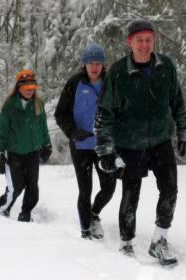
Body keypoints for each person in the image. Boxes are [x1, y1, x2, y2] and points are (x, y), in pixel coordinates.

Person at [94, 20, 186, 266]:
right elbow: (104, 114)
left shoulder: (166, 66)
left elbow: (177, 100)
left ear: (154, 41)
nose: (145, 45)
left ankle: (159, 241)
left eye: (149, 39)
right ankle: (126, 242)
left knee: (170, 189)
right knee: (131, 194)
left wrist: (183, 130)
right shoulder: (118, 73)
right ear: (130, 42)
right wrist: (106, 149)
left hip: (160, 140)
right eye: (140, 40)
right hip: (129, 143)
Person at [55, 43, 116, 239]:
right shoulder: (74, 83)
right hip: (80, 146)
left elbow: (122, 114)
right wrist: (73, 132)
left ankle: (94, 214)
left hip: (104, 147)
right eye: (91, 63)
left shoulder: (112, 83)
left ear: (103, 65)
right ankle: (85, 231)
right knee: (85, 190)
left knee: (109, 188)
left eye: (98, 63)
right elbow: (60, 114)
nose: (95, 67)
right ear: (85, 64)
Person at [0, 70, 52, 222]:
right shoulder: (10, 106)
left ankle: (25, 214)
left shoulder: (38, 104)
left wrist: (46, 144)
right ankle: (1, 211)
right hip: (13, 153)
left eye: (32, 88)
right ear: (19, 87)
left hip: (32, 152)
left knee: (33, 188)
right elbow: (1, 130)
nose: (29, 91)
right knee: (16, 187)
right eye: (26, 88)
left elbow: (42, 126)